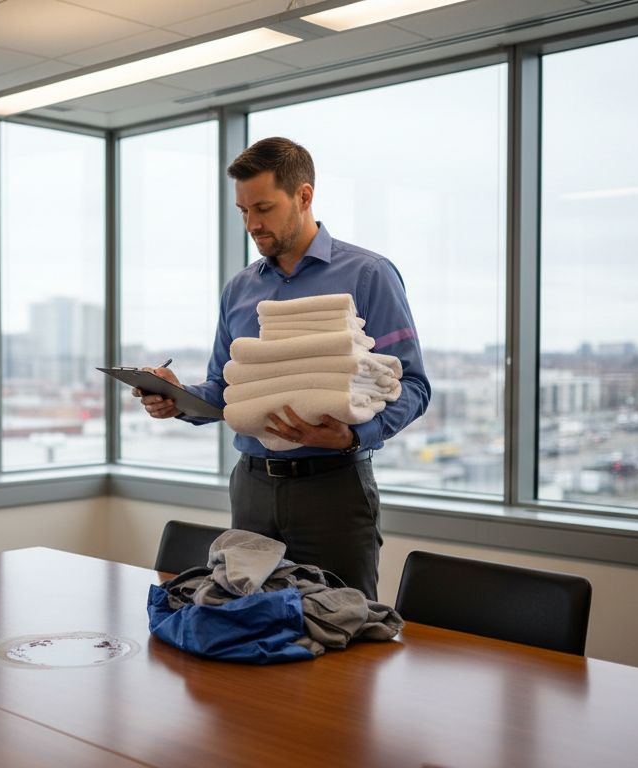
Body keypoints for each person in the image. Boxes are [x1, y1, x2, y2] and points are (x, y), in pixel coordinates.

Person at [135, 137, 430, 600]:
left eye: (264, 208)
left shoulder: (369, 275)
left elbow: (412, 385)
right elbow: (226, 387)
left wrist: (354, 435)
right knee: (249, 620)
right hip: (252, 487)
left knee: (343, 620)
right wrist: (178, 398)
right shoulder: (239, 289)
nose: (252, 224)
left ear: (304, 196)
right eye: (243, 211)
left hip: (332, 488)